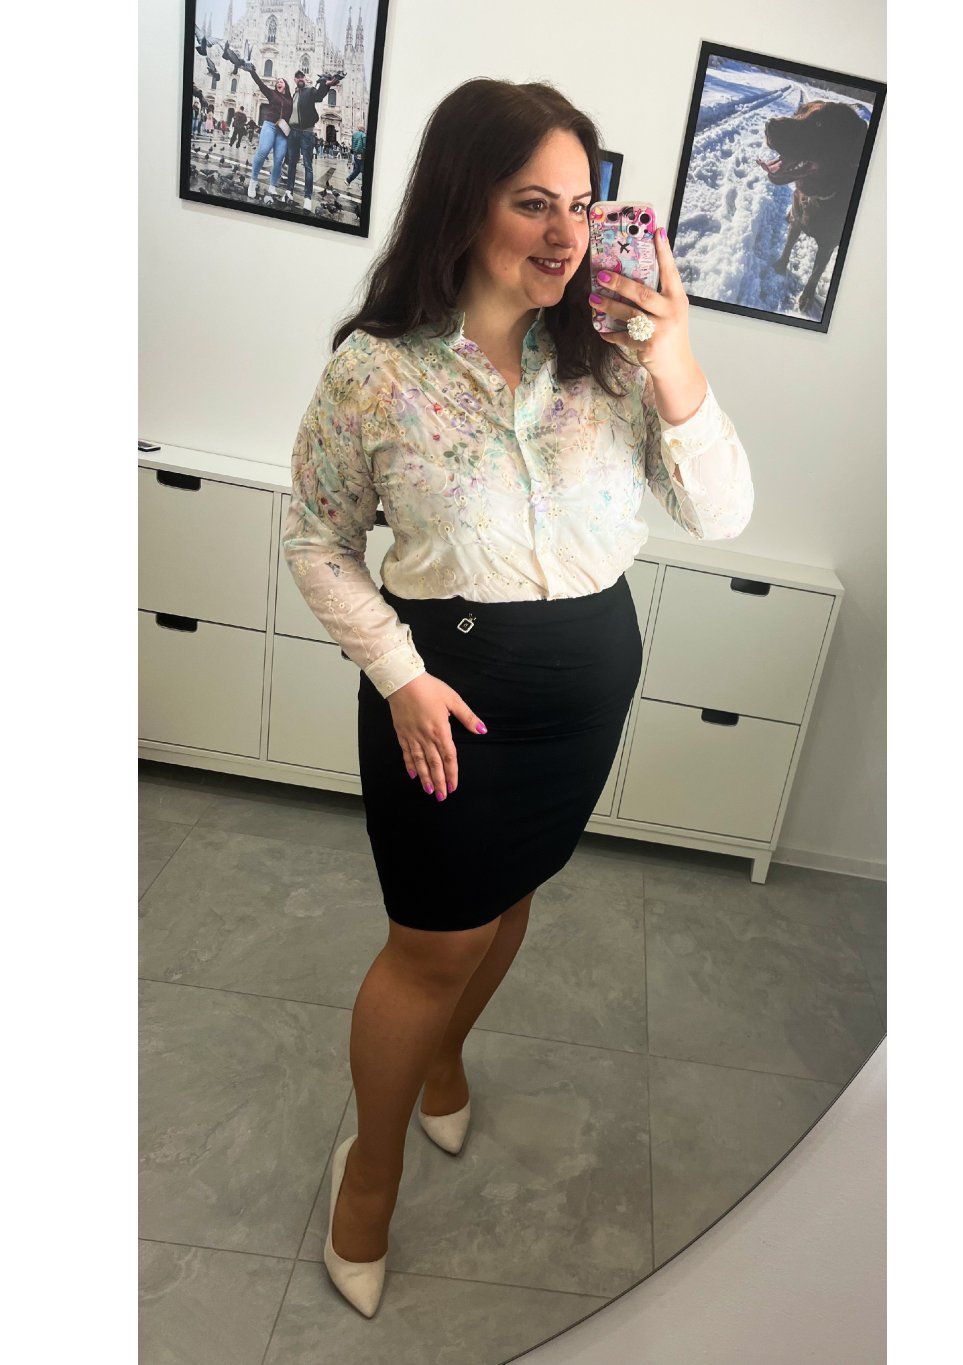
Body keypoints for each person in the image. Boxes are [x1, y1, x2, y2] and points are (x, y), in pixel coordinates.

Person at [281, 77, 754, 1320]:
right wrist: (398, 675)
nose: (565, 234)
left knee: (508, 900)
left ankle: (446, 1057)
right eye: (532, 202)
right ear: (462, 202)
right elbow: (317, 542)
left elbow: (719, 513)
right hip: (447, 686)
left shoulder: (612, 365)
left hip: (584, 685)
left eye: (583, 206)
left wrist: (674, 355)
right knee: (430, 942)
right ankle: (369, 1170)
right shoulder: (375, 374)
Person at [281, 67, 342, 210]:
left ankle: (307, 198)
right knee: (292, 164)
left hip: (306, 134)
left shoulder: (309, 91)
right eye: (297, 77)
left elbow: (319, 95)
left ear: (305, 78)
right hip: (293, 133)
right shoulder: (295, 94)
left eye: (302, 76)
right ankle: (289, 192)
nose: (300, 78)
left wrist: (326, 84)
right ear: (295, 80)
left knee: (308, 166)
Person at [243, 70, 292, 201]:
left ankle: (272, 186)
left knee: (279, 159)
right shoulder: (272, 94)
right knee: (263, 151)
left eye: (281, 81)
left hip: (283, 131)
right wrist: (251, 71)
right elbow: (260, 83)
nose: (278, 83)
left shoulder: (290, 99)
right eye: (277, 82)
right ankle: (253, 181)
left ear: (286, 85)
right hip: (270, 125)